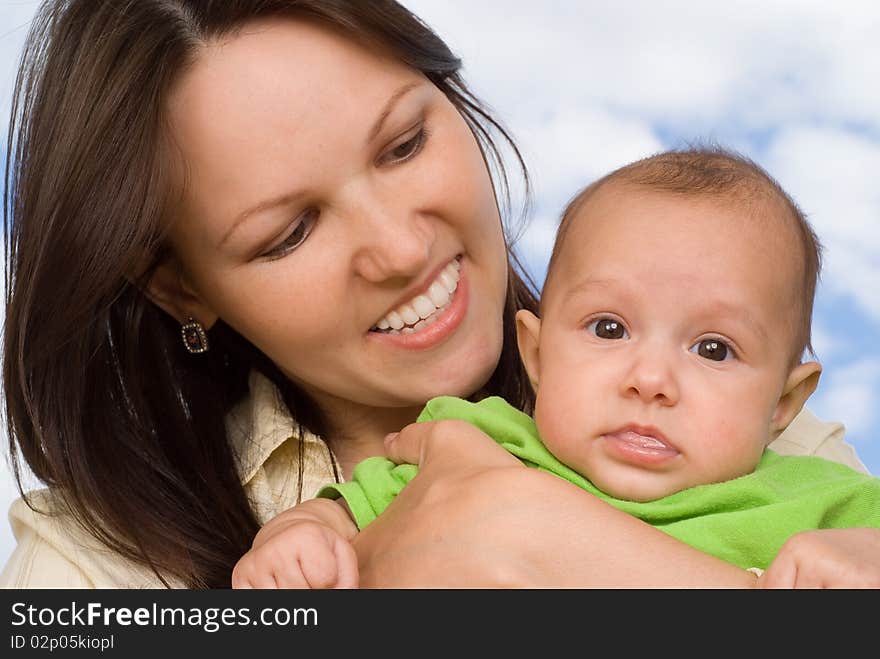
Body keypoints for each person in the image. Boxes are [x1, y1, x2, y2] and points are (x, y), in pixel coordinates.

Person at [1, 0, 876, 590]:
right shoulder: (81, 565)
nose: (402, 248)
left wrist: (543, 534)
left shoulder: (755, 427)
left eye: (404, 145)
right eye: (290, 233)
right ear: (181, 286)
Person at [232, 148, 880, 588]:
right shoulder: (477, 441)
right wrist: (300, 539)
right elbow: (347, 512)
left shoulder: (824, 498)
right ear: (537, 354)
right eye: (608, 328)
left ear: (784, 405)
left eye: (713, 349)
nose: (650, 379)